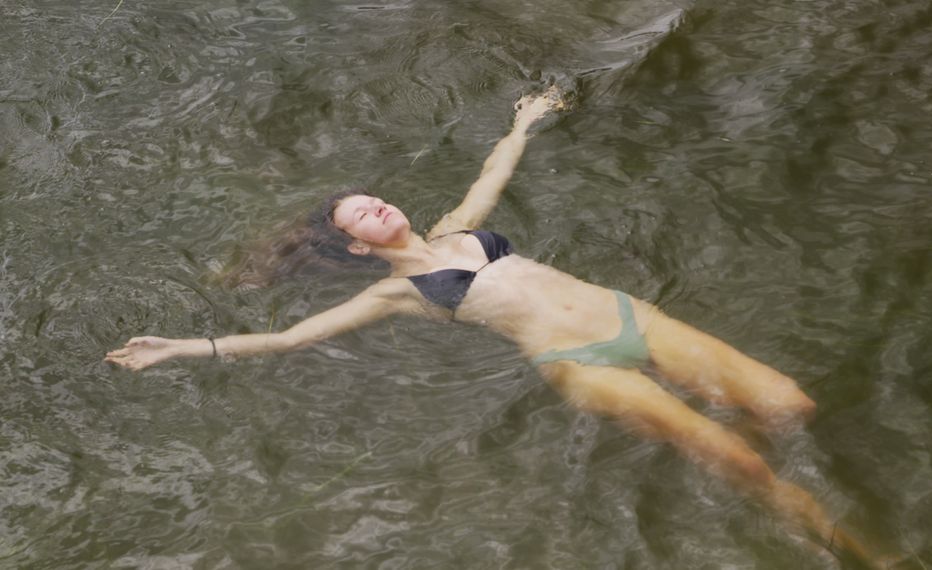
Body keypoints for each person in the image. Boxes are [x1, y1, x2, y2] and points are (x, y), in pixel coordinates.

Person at [107, 87, 876, 567]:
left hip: (629, 317)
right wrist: (178, 347)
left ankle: (799, 488)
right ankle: (860, 551)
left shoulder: (457, 229)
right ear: (354, 245)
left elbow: (492, 173)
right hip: (582, 363)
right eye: (359, 215)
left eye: (374, 198)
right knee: (739, 462)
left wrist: (525, 120)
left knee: (789, 405)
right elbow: (284, 340)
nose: (376, 207)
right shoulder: (395, 295)